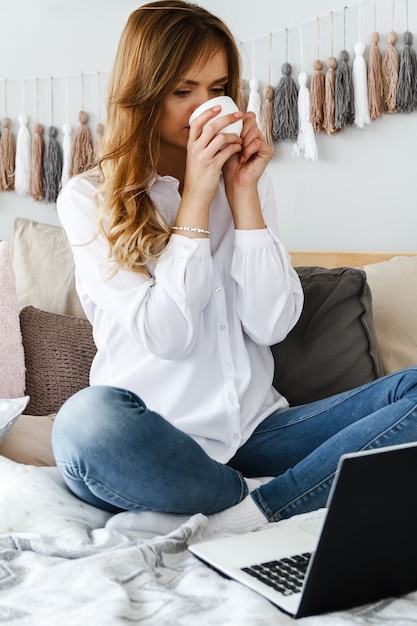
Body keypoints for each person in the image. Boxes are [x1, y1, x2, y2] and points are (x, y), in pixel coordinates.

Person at [53, 0, 417, 538]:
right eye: (183, 92)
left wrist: (241, 194)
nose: (206, 106)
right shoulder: (88, 197)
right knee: (85, 424)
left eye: (218, 89)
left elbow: (272, 325)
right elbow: (169, 335)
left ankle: (252, 512)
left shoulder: (243, 176)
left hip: (256, 432)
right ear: (145, 95)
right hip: (153, 443)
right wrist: (197, 196)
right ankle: (273, 495)